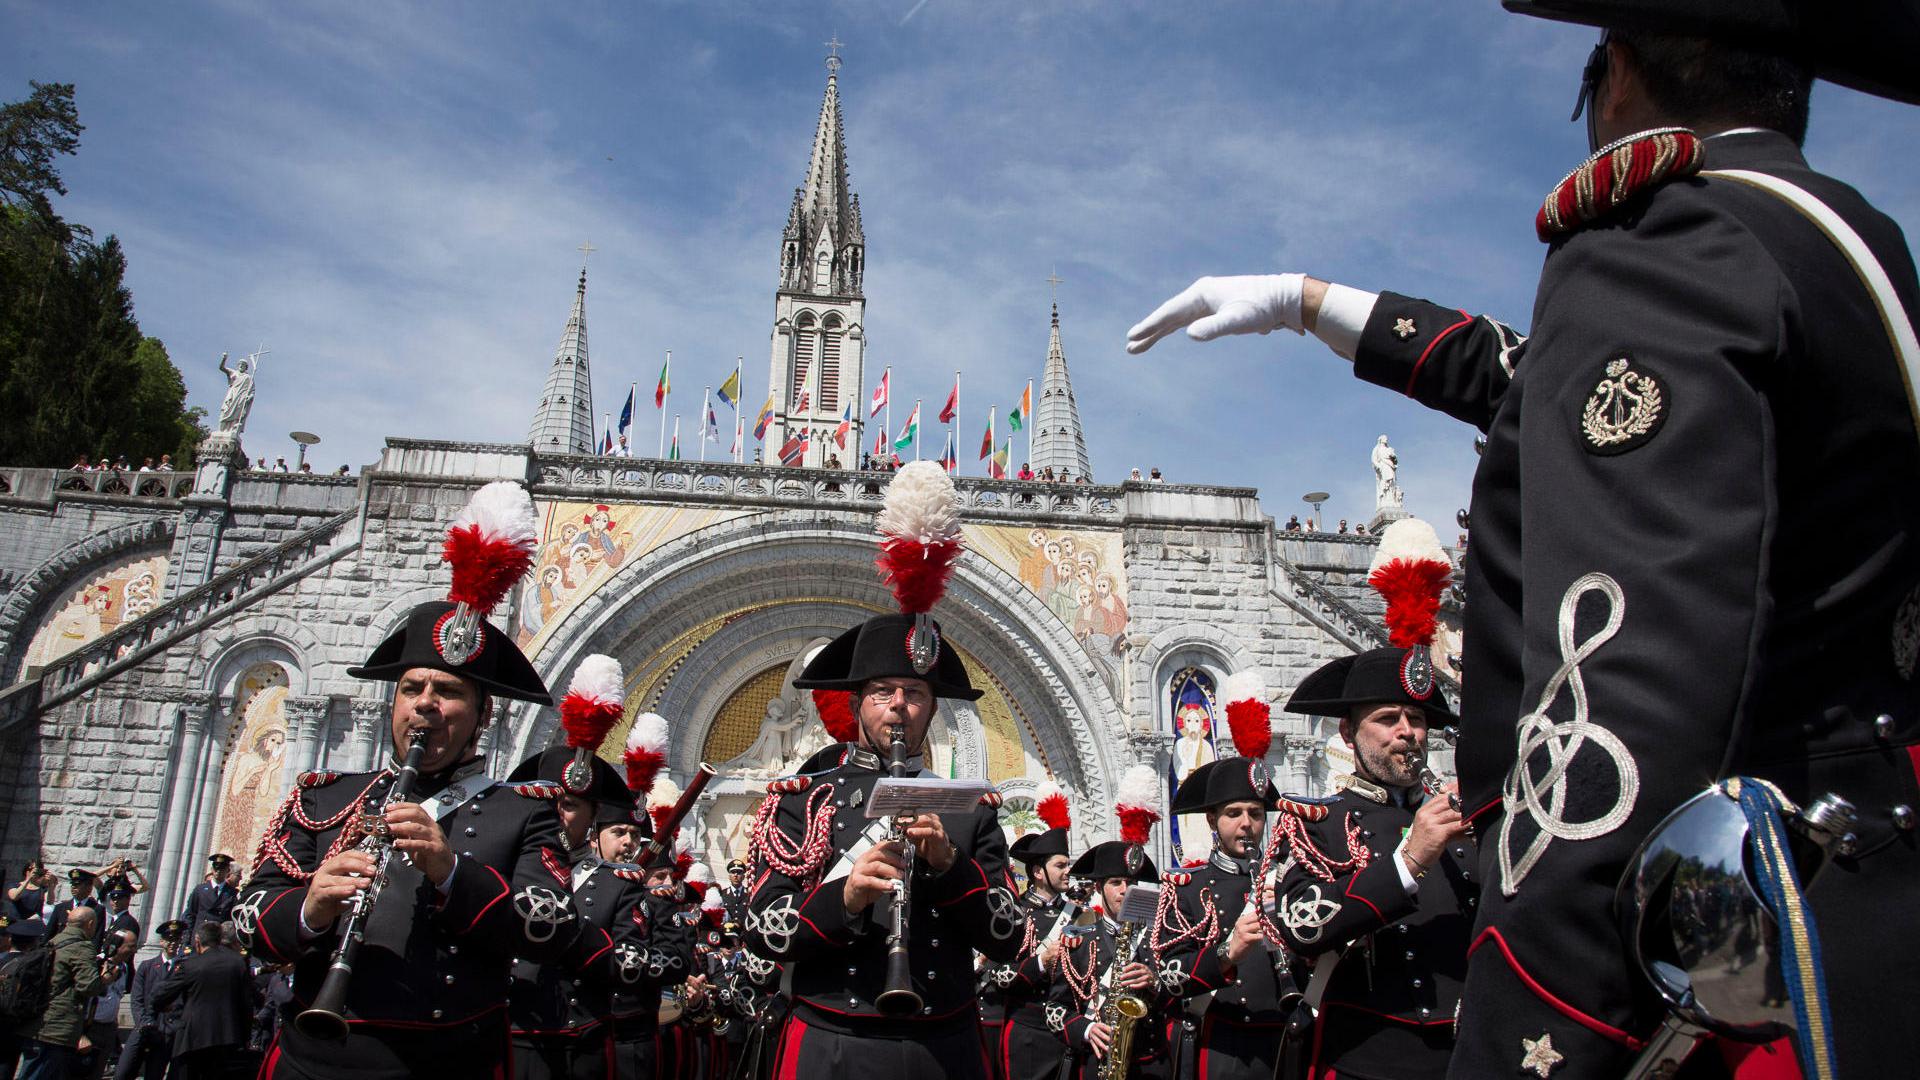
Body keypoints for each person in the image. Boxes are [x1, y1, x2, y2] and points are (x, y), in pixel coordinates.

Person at [1126, 4, 1920, 1075]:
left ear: (1620, 77)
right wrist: (1313, 303)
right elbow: (1552, 385)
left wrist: (1535, 1026)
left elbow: (1624, 687)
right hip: (1870, 882)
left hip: (1728, 953)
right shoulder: (1848, 241)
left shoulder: (1661, 246)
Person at [233, 493, 597, 1080]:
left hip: (449, 1060)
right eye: (411, 689)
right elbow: (249, 917)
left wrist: (452, 871)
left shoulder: (523, 811)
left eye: (448, 692)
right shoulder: (324, 795)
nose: (425, 704)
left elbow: (551, 927)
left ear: (482, 716)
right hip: (313, 1057)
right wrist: (312, 906)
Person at [747, 615, 1025, 1075]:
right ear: (857, 704)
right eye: (883, 692)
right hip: (832, 1040)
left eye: (915, 693)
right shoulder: (804, 798)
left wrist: (950, 865)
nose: (899, 705)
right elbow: (762, 929)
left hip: (945, 1045)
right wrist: (847, 898)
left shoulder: (969, 807)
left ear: (933, 709)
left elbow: (1008, 936)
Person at [1270, 647, 1475, 1080]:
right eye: (1387, 719)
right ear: (1348, 733)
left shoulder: (1463, 815)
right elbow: (1302, 927)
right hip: (1370, 1056)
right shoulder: (1316, 822)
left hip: (1474, 1047)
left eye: (1416, 720)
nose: (1407, 732)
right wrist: (1411, 858)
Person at [506, 742, 691, 1080]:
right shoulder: (506, 869)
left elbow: (632, 960)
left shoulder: (618, 884)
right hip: (508, 1036)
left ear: (591, 816)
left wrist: (566, 931)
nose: (559, 814)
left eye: (571, 805)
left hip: (583, 1041)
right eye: (552, 803)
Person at [1049, 842, 1164, 1080]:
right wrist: (1087, 1029)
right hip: (1097, 1062)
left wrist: (1156, 983)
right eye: (1116, 883)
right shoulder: (1081, 941)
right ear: (1099, 887)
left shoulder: (1157, 938)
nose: (1125, 890)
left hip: (1151, 1063)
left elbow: (1182, 998)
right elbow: (1055, 1009)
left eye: (1131, 883)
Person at [982, 804, 1076, 1080]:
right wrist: (1042, 963)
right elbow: (998, 975)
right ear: (1037, 872)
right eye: (1060, 865)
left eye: (1068, 864)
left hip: (1069, 1030)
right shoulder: (1015, 914)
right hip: (1027, 1032)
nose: (1068, 871)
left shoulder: (1080, 917)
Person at [13, 907, 116, 1080]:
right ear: (90, 924)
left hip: (36, 1023)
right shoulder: (81, 947)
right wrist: (105, 979)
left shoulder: (53, 941)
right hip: (57, 1029)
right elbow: (88, 986)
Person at [152, 923, 254, 1080]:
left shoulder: (192, 964)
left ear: (198, 941)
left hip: (193, 1038)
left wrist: (163, 1006)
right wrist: (245, 1036)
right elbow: (246, 1004)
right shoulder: (237, 962)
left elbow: (160, 994)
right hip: (228, 1036)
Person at [113, 920, 187, 1080]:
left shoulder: (184, 968)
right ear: (162, 941)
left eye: (176, 940)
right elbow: (137, 999)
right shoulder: (148, 966)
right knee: (123, 1072)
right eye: (169, 940)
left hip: (166, 1030)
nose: (172, 944)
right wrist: (144, 1022)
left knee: (154, 1073)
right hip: (144, 1026)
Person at [76, 932, 135, 1080]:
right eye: (130, 946)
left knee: (97, 1072)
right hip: (89, 1028)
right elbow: (81, 999)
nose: (133, 951)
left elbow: (116, 996)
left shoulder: (124, 967)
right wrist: (80, 1034)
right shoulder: (95, 964)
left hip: (107, 1029)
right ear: (117, 947)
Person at [179, 855, 236, 942]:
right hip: (200, 936)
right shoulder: (200, 889)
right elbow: (190, 914)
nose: (218, 871)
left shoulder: (232, 893)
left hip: (219, 938)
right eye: (216, 868)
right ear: (212, 869)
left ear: (228, 871)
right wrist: (187, 939)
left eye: (222, 869)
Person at [45, 870, 103, 944]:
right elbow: (49, 934)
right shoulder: (60, 908)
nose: (73, 887)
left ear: (89, 887)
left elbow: (97, 939)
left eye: (77, 884)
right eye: (72, 884)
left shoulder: (97, 909)